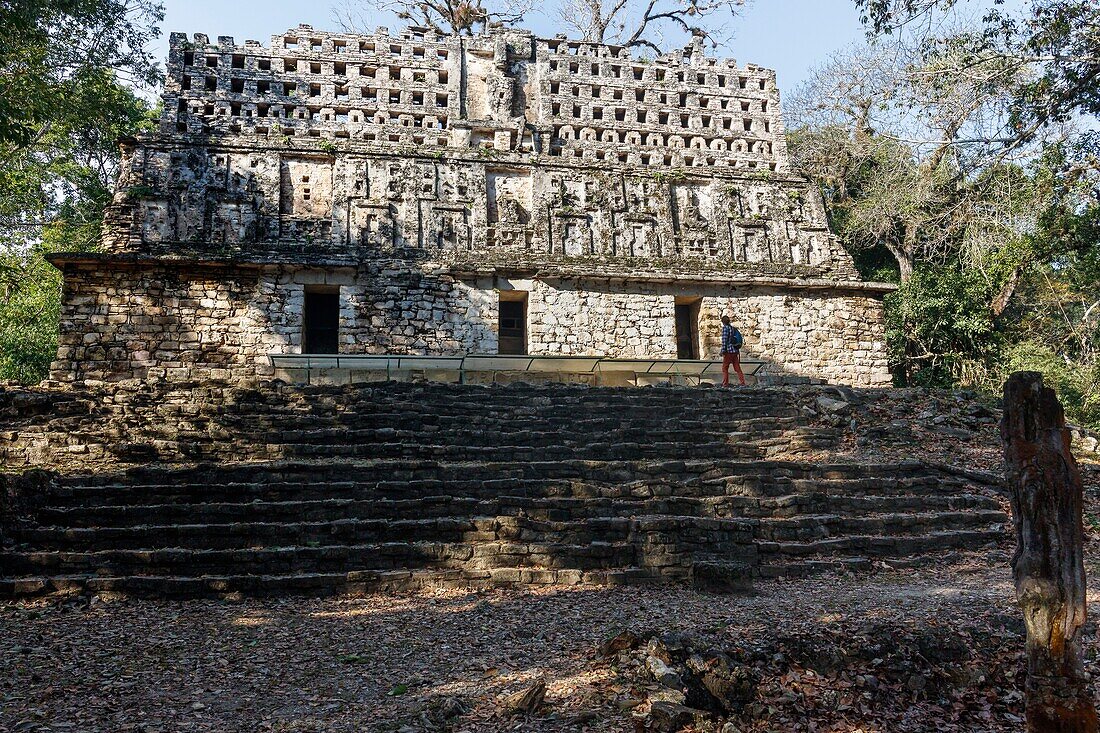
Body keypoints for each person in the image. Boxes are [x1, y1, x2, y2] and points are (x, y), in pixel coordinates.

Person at [719, 315, 745, 387]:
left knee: (725, 368)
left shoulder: (725, 329)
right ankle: (742, 382)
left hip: (728, 351)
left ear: (723, 322)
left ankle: (725, 383)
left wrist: (722, 351)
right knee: (737, 368)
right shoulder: (732, 328)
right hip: (735, 351)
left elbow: (724, 341)